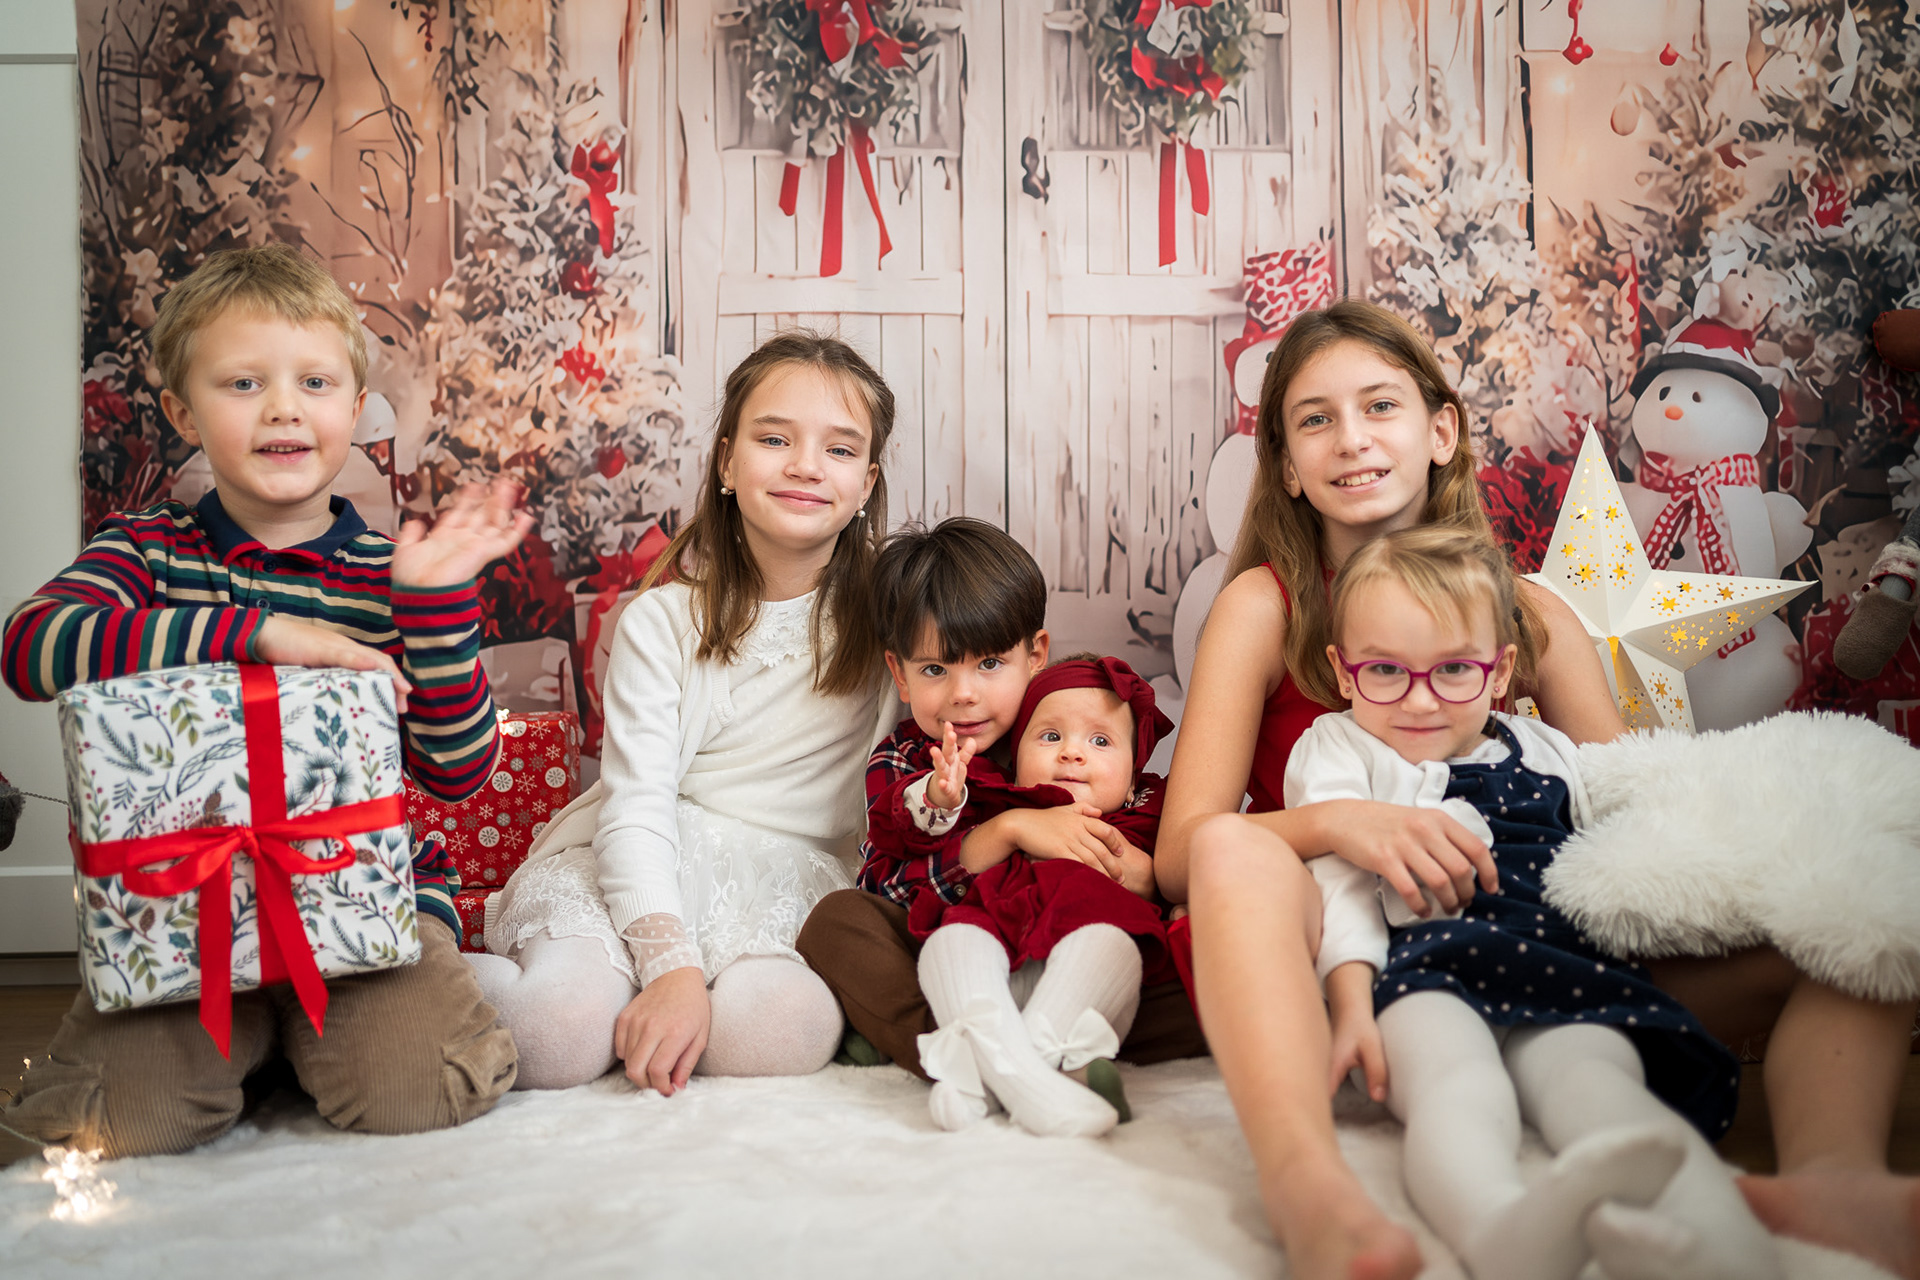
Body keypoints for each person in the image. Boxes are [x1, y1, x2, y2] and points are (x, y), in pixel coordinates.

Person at [1157, 297, 1920, 1280]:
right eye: (1315, 419)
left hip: (1541, 934)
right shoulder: (1265, 604)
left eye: (1380, 405)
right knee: (1231, 847)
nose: (1351, 438)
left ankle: (1835, 1177)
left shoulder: (1530, 609)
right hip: (1357, 940)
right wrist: (1348, 821)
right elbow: (1182, 853)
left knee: (1858, 909)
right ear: (1288, 464)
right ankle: (1311, 1190)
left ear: (1440, 431)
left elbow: (1629, 794)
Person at [1, 243, 525, 1160]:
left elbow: (459, 770)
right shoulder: (145, 552)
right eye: (244, 383)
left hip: (367, 907)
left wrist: (435, 609)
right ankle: (252, 1040)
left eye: (314, 382)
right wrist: (258, 635)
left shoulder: (394, 573)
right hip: (183, 918)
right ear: (183, 411)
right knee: (111, 1123)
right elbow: (31, 647)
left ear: (353, 410)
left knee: (424, 1086)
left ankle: (307, 1040)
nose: (283, 407)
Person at [1299, 524, 1774, 1280]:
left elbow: (1621, 840)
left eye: (1454, 670)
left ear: (1500, 672)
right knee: (1458, 1086)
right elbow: (1340, 882)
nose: (1419, 699)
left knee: (1602, 1085)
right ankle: (1497, 1226)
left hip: (1560, 966)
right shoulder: (1343, 746)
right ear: (1342, 670)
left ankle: (1720, 1241)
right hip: (1425, 973)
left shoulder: (1546, 748)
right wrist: (1351, 1002)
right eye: (1385, 670)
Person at [471, 331, 897, 1093]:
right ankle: (422, 973)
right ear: (727, 463)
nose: (806, 465)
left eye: (838, 450)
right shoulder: (663, 622)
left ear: (866, 484)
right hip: (641, 859)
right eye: (775, 439)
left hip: (782, 887)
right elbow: (636, 805)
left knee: (781, 1030)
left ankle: (651, 1005)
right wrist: (669, 965)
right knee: (554, 1035)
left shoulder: (895, 624)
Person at [795, 520, 1207, 1079]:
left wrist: (1148, 876)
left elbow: (1156, 849)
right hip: (958, 955)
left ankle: (990, 1053)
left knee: (1212, 972)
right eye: (935, 669)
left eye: (989, 664)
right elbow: (887, 887)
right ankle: (990, 1057)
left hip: (1082, 959)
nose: (964, 694)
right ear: (900, 674)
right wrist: (1008, 831)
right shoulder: (907, 759)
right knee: (838, 922)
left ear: (1035, 654)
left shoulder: (1076, 746)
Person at [876, 655, 1174, 1137]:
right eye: (1051, 736)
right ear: (1014, 763)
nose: (1072, 753)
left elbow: (1180, 875)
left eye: (1100, 741)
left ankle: (993, 1076)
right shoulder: (996, 804)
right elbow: (908, 841)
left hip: (1083, 981)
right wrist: (945, 800)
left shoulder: (1147, 818)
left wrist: (1142, 870)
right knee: (952, 940)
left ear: (1134, 779)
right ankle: (1027, 1080)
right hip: (1000, 958)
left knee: (1109, 944)